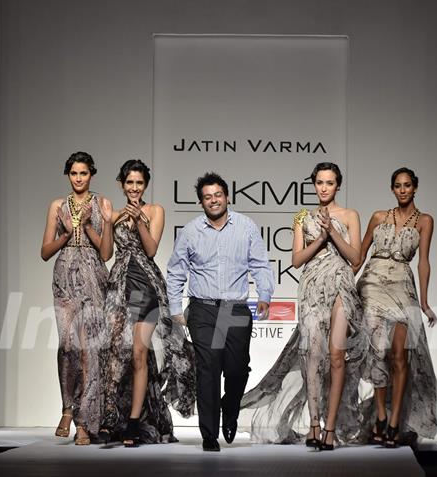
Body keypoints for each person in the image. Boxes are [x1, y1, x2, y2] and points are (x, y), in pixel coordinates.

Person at [240, 162, 368, 450]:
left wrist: (332, 233)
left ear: (338, 185)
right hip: (311, 287)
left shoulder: (350, 216)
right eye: (320, 182)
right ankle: (313, 425)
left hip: (341, 287)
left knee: (337, 357)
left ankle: (330, 429)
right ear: (314, 185)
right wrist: (321, 237)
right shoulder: (301, 216)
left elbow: (356, 257)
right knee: (312, 356)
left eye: (330, 182)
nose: (324, 187)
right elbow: (296, 260)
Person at [166, 172, 275, 452]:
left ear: (227, 196)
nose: (213, 200)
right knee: (208, 369)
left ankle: (230, 408)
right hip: (204, 310)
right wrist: (176, 307)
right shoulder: (191, 231)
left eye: (217, 195)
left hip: (235, 310)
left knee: (237, 370)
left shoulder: (246, 226)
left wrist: (264, 294)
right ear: (201, 202)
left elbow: (260, 264)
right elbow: (176, 270)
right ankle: (209, 434)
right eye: (207, 197)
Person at [98, 160, 195, 446]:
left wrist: (139, 219)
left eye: (139, 183)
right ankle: (110, 417)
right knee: (115, 354)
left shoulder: (155, 210)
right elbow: (105, 255)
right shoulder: (113, 215)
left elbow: (151, 249)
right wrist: (107, 221)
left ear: (145, 185)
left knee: (139, 353)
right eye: (129, 183)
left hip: (145, 288)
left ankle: (133, 424)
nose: (134, 188)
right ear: (122, 184)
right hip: (118, 287)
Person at [356, 167, 437, 447]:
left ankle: (394, 423)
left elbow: (424, 261)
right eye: (397, 186)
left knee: (400, 355)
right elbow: (360, 254)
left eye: (407, 185)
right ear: (392, 189)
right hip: (373, 284)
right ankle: (381, 416)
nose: (402, 190)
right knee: (378, 352)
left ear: (415, 187)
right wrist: (343, 282)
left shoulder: (425, 221)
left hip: (403, 286)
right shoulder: (379, 216)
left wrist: (424, 301)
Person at [40, 151, 111, 445]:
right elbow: (45, 251)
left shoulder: (102, 203)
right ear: (68, 175)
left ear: (91, 174)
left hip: (94, 275)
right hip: (64, 277)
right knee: (67, 347)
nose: (79, 178)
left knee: (88, 351)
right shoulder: (57, 205)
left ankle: (84, 420)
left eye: (83, 173)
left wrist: (89, 228)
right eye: (73, 174)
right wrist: (67, 234)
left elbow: (107, 253)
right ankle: (66, 408)